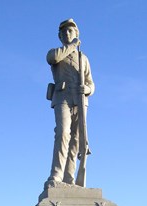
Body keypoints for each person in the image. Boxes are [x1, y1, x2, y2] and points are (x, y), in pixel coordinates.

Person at [45, 19, 95, 186]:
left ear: (76, 33)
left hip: (80, 100)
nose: (67, 34)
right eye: (64, 32)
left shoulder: (83, 58)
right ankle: (56, 175)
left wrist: (87, 90)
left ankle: (69, 177)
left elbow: (91, 83)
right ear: (60, 36)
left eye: (70, 31)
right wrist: (73, 45)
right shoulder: (56, 52)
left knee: (76, 139)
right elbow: (54, 58)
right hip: (62, 97)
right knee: (63, 133)